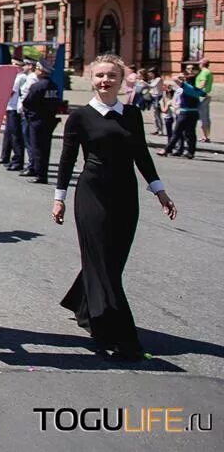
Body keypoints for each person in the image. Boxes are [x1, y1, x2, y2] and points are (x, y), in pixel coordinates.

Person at [53, 53, 176, 361]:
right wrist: (59, 197)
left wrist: (159, 191)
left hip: (125, 196)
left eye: (112, 76)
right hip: (91, 195)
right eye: (100, 76)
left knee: (111, 263)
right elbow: (67, 160)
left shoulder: (132, 115)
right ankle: (120, 335)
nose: (105, 80)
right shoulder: (80, 116)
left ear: (122, 81)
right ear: (92, 79)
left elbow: (142, 155)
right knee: (103, 266)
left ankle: (82, 305)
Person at [22, 61, 62, 184]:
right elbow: (57, 103)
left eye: (37, 69)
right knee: (46, 148)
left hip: (36, 120)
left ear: (41, 71)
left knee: (37, 147)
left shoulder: (37, 86)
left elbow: (27, 102)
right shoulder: (53, 86)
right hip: (49, 120)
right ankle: (42, 172)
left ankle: (40, 175)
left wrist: (29, 114)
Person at [157, 69, 205, 160]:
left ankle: (166, 150)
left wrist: (181, 77)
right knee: (191, 133)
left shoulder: (186, 87)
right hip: (194, 113)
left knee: (177, 132)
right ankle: (191, 152)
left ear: (187, 80)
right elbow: (204, 95)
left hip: (184, 112)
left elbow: (174, 79)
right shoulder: (196, 89)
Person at [0, 59, 27, 170]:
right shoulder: (16, 77)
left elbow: (10, 92)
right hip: (10, 107)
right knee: (9, 134)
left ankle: (17, 161)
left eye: (14, 64)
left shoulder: (20, 77)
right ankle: (8, 157)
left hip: (15, 108)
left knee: (16, 136)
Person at [196, 58, 213, 142]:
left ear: (202, 64)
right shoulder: (208, 72)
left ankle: (205, 137)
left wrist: (194, 90)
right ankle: (206, 136)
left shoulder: (204, 72)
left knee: (202, 117)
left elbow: (202, 84)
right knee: (206, 116)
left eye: (199, 63)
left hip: (201, 96)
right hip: (206, 95)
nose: (198, 65)